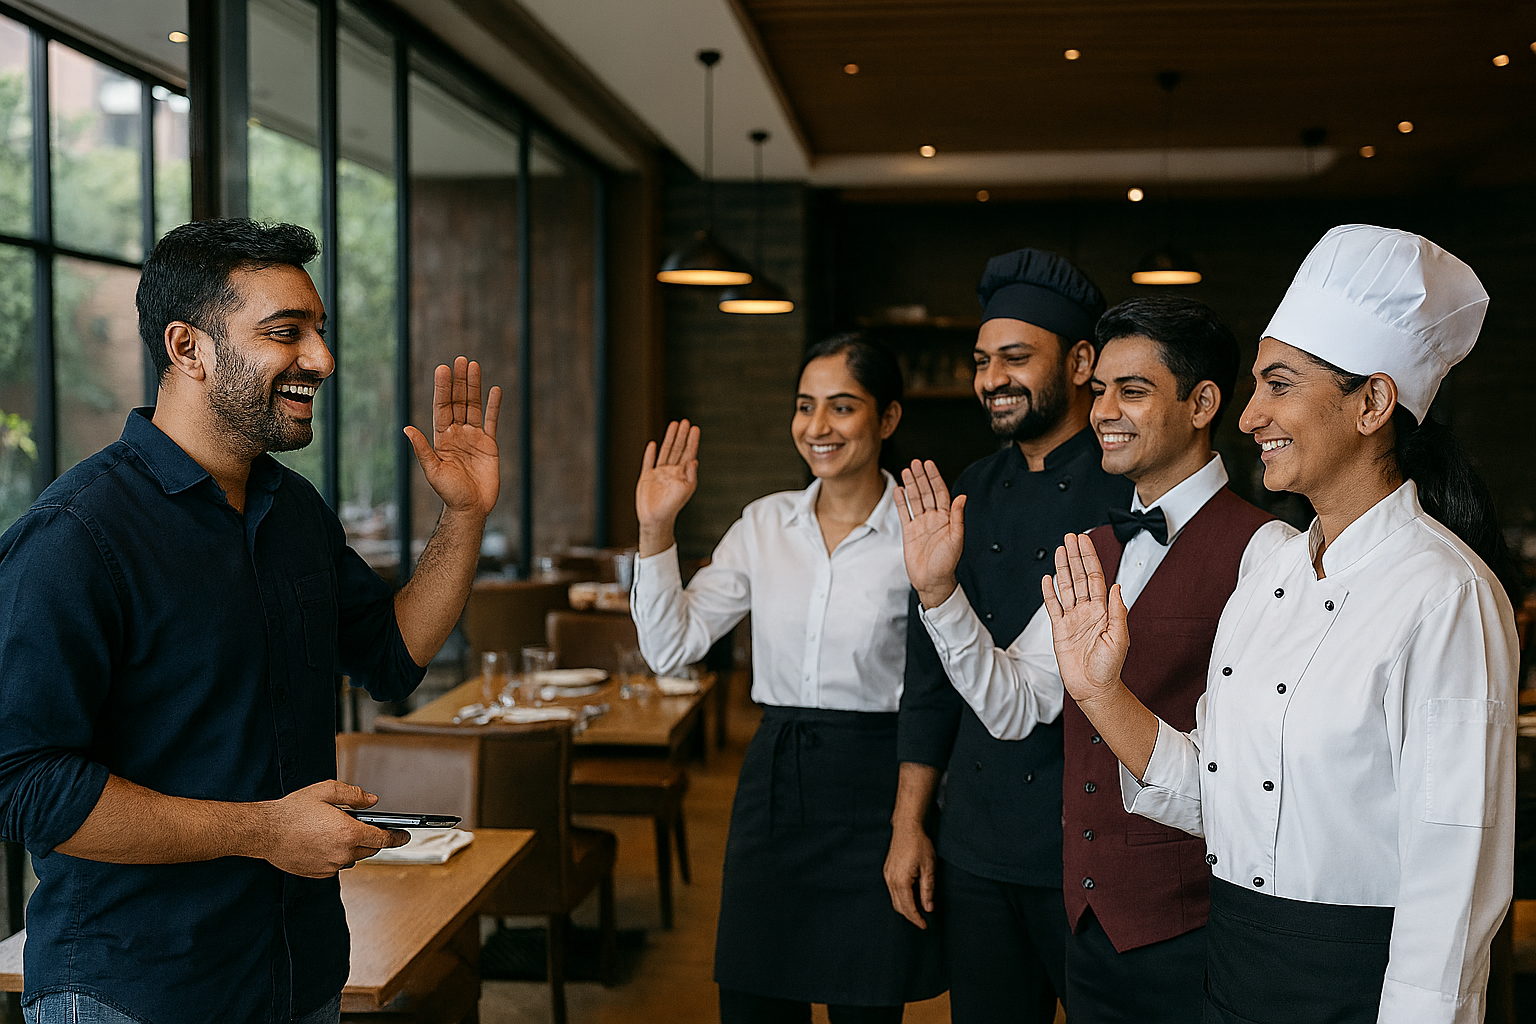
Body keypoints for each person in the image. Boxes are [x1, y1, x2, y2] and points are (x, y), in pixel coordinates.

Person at [0, 219, 502, 1024]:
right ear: (187, 348)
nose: (322, 360)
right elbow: (25, 787)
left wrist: (466, 516)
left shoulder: (290, 507)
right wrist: (265, 830)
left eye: (320, 332)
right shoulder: (76, 535)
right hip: (135, 991)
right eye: (285, 333)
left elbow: (391, 656)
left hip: (297, 973)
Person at [1042, 224, 1518, 1024]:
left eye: (1279, 384)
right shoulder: (1270, 572)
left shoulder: (1447, 595)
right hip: (1232, 964)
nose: (1249, 413)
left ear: (1371, 402)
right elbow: (1216, 796)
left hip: (1358, 983)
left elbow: (1453, 883)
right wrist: (1100, 693)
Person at [898, 295, 1296, 1022]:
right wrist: (938, 593)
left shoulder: (1269, 554)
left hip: (1198, 928)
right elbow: (1015, 706)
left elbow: (1257, 777)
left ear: (1203, 401)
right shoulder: (1097, 548)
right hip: (1091, 928)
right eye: (1101, 388)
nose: (1104, 409)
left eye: (1133, 390)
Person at [630, 336, 943, 1024]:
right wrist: (656, 527)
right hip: (774, 779)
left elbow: (939, 687)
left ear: (887, 418)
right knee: (754, 1002)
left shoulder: (925, 532)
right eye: (805, 407)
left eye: (841, 407)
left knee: (866, 1005)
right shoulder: (763, 524)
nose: (817, 427)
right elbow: (668, 646)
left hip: (878, 782)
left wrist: (911, 822)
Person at [884, 248, 1132, 1022]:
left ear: (1082, 360)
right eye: (983, 360)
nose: (992, 378)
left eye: (1016, 358)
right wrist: (909, 825)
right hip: (979, 842)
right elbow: (927, 678)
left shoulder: (1129, 490)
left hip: (1096, 852)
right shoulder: (968, 490)